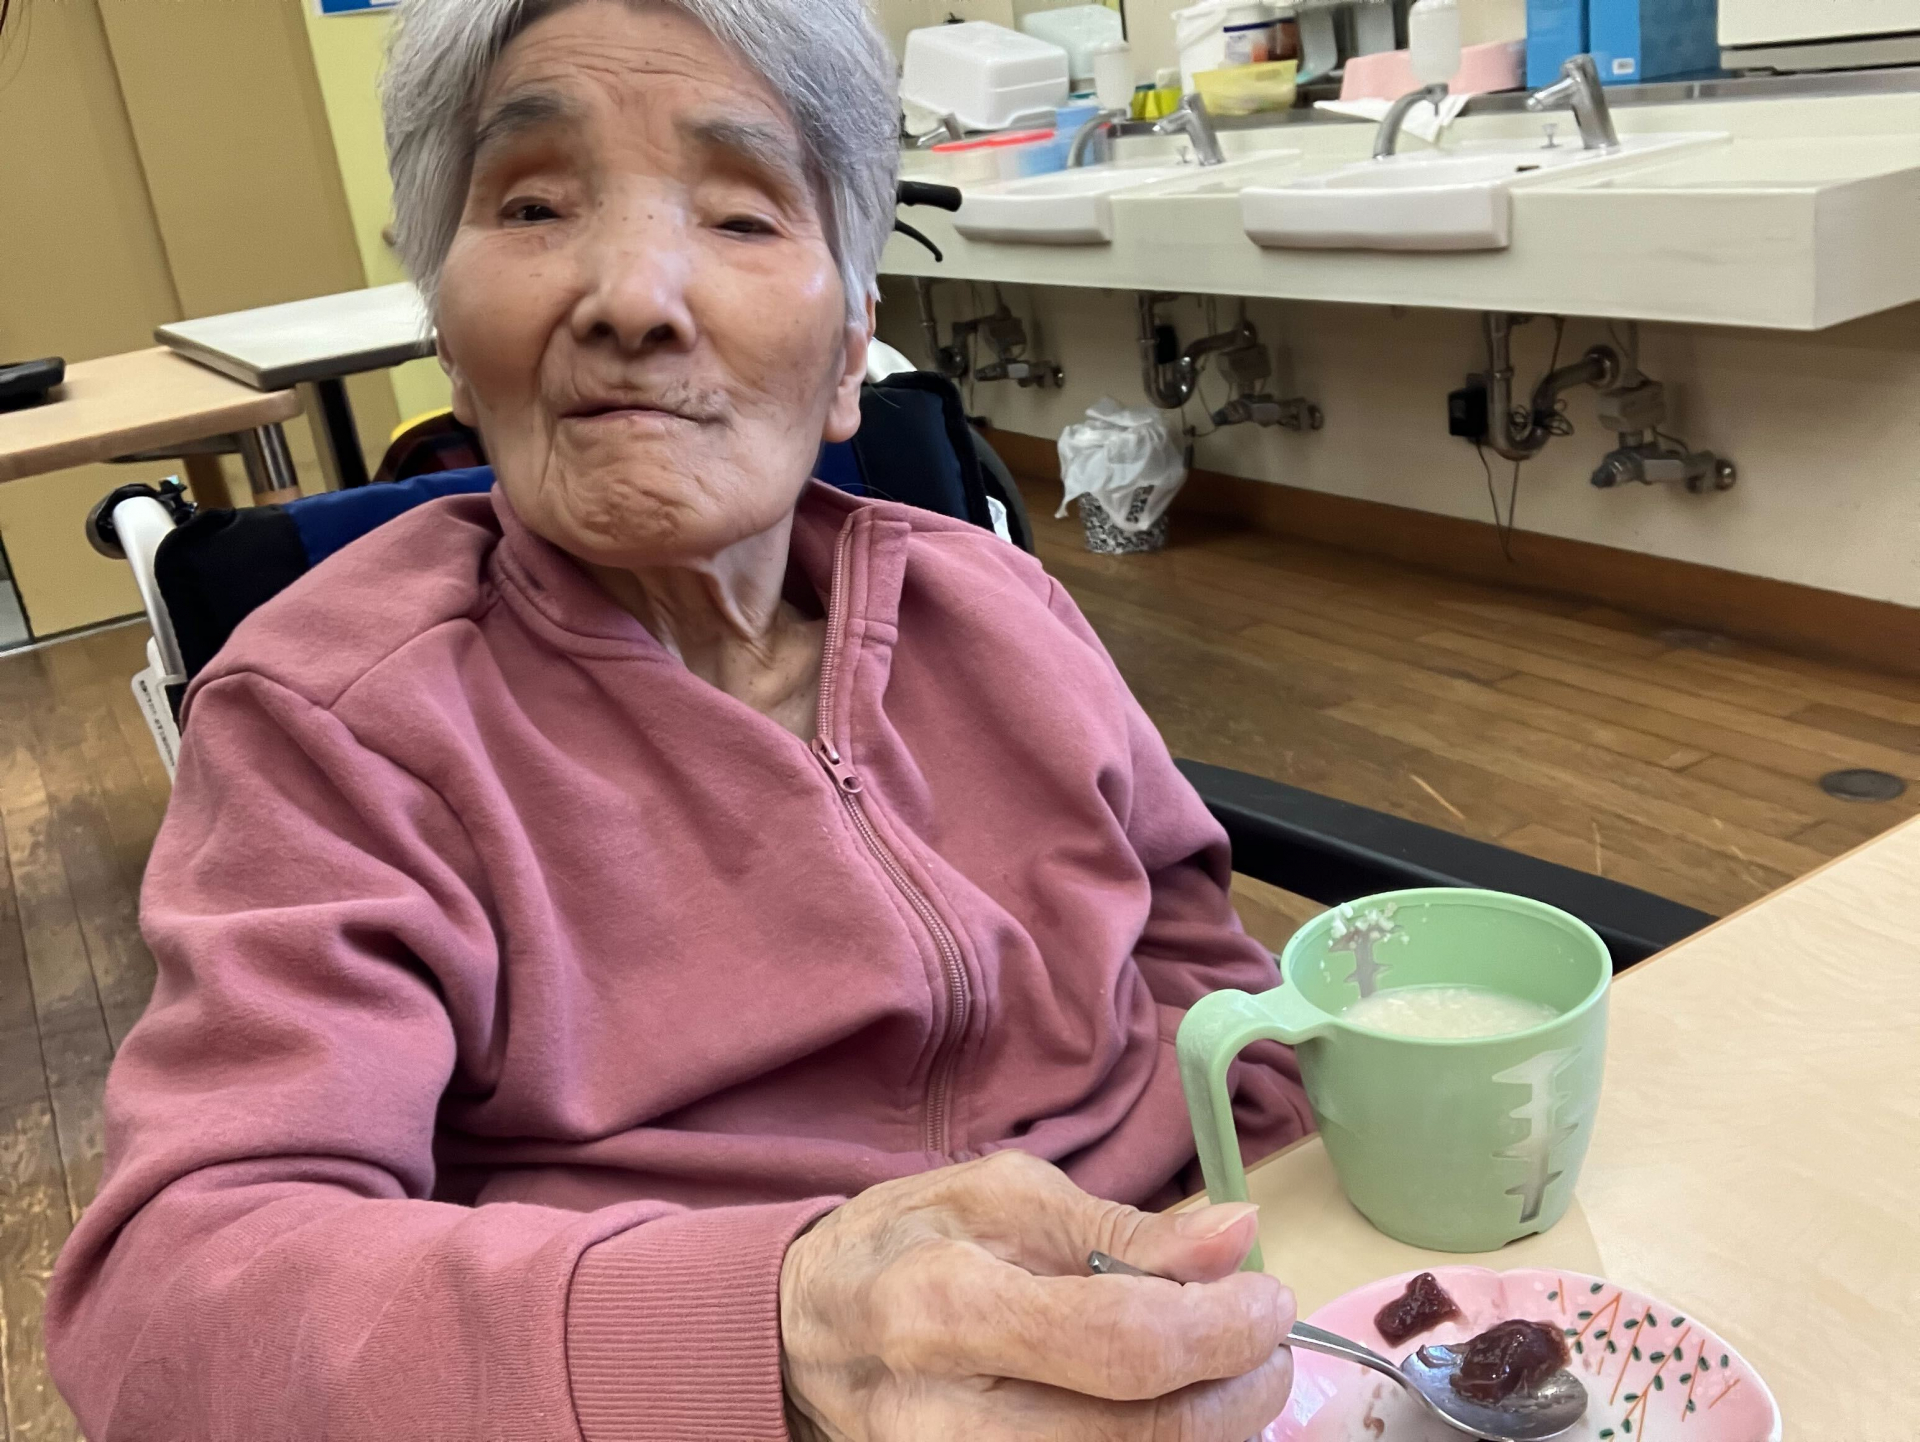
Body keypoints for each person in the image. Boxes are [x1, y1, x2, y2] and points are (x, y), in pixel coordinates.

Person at [46, 1, 1314, 1437]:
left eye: (742, 215)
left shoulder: (998, 602)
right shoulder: (333, 725)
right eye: (534, 205)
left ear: (851, 343)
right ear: (449, 334)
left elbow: (1202, 968)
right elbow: (174, 1302)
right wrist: (771, 1332)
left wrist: (1296, 1239)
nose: (635, 297)